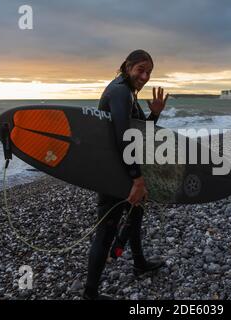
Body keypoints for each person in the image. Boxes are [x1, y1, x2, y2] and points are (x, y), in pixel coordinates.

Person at [83, 50, 169, 300]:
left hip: (124, 168)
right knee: (107, 231)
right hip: (114, 173)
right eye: (140, 69)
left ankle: (139, 262)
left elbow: (140, 135)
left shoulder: (127, 91)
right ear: (127, 66)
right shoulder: (120, 92)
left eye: (149, 73)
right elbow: (123, 138)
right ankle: (90, 294)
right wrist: (137, 179)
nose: (144, 76)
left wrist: (154, 114)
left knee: (135, 215)